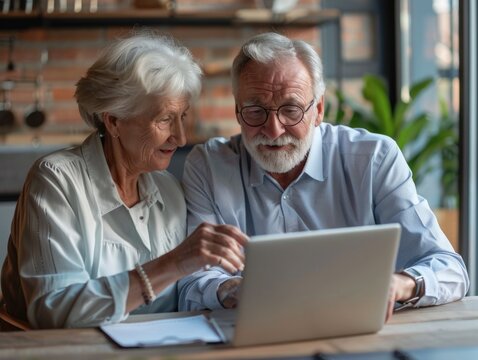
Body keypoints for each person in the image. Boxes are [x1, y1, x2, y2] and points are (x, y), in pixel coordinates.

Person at [177, 32, 469, 320]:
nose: (274, 130)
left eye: (291, 110)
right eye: (255, 111)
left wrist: (399, 284)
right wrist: (232, 289)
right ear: (238, 112)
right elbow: (191, 285)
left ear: (318, 110)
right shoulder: (209, 166)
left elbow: (449, 269)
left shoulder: (373, 159)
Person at [0, 31, 247, 329]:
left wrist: (225, 290)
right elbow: (54, 311)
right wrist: (174, 263)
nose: (180, 137)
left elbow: (183, 293)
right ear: (114, 120)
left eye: (183, 117)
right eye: (165, 120)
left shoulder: (168, 189)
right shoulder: (57, 180)